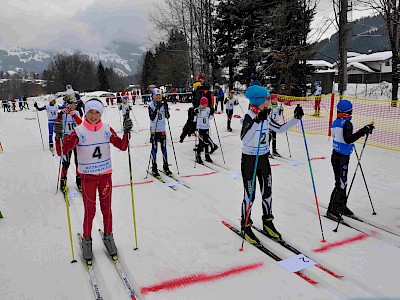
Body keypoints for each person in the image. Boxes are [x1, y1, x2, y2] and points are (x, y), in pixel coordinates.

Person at [54, 98, 132, 260]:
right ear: (86, 112)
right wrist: (58, 135)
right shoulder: (79, 131)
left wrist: (127, 131)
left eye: (97, 112)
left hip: (105, 177)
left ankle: (108, 237)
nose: (94, 115)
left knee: (106, 209)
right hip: (87, 177)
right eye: (90, 111)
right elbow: (62, 151)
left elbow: (122, 146)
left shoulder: (106, 129)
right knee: (90, 211)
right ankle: (87, 241)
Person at [239, 85, 304, 244]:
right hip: (249, 160)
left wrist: (296, 118)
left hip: (263, 159)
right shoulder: (249, 116)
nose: (270, 100)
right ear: (260, 100)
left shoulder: (266, 116)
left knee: (267, 191)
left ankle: (268, 221)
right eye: (267, 98)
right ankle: (245, 224)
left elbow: (280, 129)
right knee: (250, 195)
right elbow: (244, 138)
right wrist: (256, 122)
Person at [327, 100, 374, 221]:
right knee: (340, 184)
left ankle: (341, 206)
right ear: (349, 112)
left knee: (343, 183)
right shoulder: (347, 124)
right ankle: (332, 210)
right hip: (341, 157)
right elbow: (348, 139)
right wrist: (362, 131)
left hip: (336, 155)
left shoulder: (336, 122)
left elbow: (340, 138)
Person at [54, 90, 82, 192]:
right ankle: (63, 180)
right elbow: (57, 123)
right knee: (66, 162)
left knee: (78, 161)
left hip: (76, 140)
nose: (74, 106)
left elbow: (80, 123)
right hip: (66, 139)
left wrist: (74, 115)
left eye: (75, 104)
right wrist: (61, 114)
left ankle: (79, 180)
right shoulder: (63, 113)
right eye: (72, 104)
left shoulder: (77, 112)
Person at [148, 88, 172, 177]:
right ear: (153, 96)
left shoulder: (163, 104)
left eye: (159, 95)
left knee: (164, 148)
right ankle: (154, 167)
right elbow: (152, 117)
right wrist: (156, 108)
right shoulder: (150, 105)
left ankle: (166, 166)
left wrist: (165, 108)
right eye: (156, 95)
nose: (158, 97)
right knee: (154, 149)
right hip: (154, 130)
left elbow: (167, 116)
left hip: (162, 130)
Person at [195, 97, 214, 164]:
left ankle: (207, 155)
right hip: (200, 128)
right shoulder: (198, 109)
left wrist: (212, 113)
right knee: (201, 143)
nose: (204, 106)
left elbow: (210, 118)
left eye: (205, 104)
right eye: (203, 104)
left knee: (207, 142)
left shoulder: (208, 109)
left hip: (206, 128)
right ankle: (198, 155)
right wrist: (194, 113)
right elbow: (194, 119)